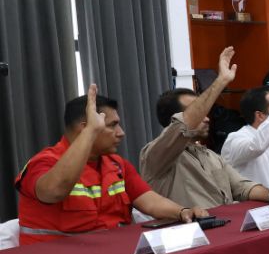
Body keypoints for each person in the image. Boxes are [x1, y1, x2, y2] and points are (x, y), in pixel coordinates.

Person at [15, 84, 208, 245]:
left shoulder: (116, 165)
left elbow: (149, 201)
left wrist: (182, 212)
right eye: (112, 125)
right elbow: (54, 191)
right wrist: (90, 132)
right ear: (86, 128)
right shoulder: (43, 162)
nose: (121, 132)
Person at [140, 47, 269, 210]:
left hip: (224, 222)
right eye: (198, 112)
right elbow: (183, 125)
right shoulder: (157, 155)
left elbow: (241, 186)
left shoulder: (210, 155)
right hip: (189, 226)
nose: (206, 118)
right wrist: (221, 81)